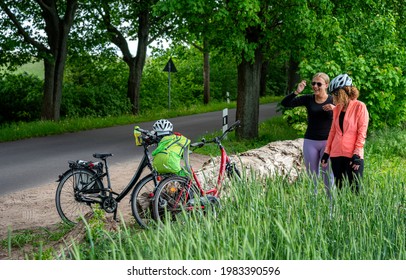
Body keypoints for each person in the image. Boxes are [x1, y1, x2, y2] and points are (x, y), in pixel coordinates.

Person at [281, 72, 334, 197]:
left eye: (319, 84)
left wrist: (334, 108)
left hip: (328, 143)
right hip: (310, 141)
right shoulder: (308, 99)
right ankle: (313, 209)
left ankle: (332, 211)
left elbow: (346, 114)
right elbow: (285, 103)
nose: (315, 86)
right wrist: (297, 92)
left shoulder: (333, 100)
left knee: (328, 177)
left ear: (326, 85)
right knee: (312, 177)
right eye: (313, 83)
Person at [321, 74, 369, 194]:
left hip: (352, 155)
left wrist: (357, 154)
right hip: (336, 155)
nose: (334, 96)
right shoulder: (337, 108)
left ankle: (356, 213)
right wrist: (327, 153)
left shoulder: (360, 107)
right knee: (340, 190)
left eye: (336, 93)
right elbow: (333, 132)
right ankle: (341, 213)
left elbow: (361, 132)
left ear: (344, 91)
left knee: (355, 191)